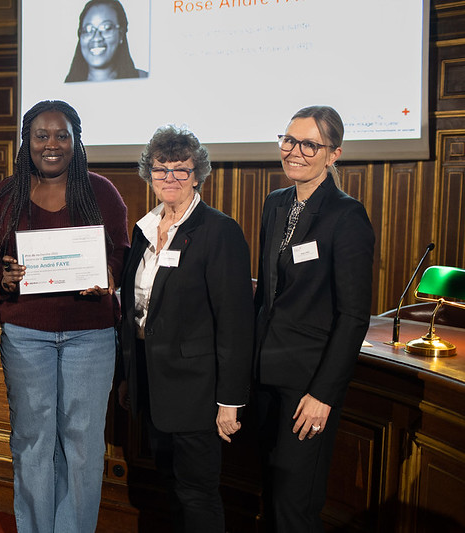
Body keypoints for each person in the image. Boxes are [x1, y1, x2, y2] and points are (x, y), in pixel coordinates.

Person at [0, 100, 129, 533]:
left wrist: (109, 274)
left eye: (62, 135)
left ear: (76, 142)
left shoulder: (101, 192)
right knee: (33, 442)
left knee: (83, 445)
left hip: (90, 335)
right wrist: (4, 279)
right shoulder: (5, 194)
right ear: (27, 141)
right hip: (26, 335)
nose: (51, 144)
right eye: (41, 135)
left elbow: (121, 252)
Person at [117, 125, 255, 532]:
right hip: (152, 382)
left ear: (197, 175)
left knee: (197, 494)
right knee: (170, 487)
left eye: (181, 169)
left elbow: (235, 322)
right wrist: (128, 376)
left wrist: (230, 400)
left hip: (198, 392)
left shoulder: (218, 231)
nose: (170, 178)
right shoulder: (144, 229)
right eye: (161, 169)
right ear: (150, 174)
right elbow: (135, 309)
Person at [253, 105, 374, 532]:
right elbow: (267, 294)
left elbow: (354, 316)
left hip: (308, 385)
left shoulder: (346, 215)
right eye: (289, 140)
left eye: (309, 144)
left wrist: (323, 394)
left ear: (333, 154)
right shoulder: (276, 203)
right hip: (265, 375)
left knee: (295, 507)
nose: (295, 152)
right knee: (269, 494)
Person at [64, 0, 148, 83]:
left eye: (106, 28)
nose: (97, 38)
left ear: (121, 34)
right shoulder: (65, 87)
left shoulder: (144, 80)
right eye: (88, 30)